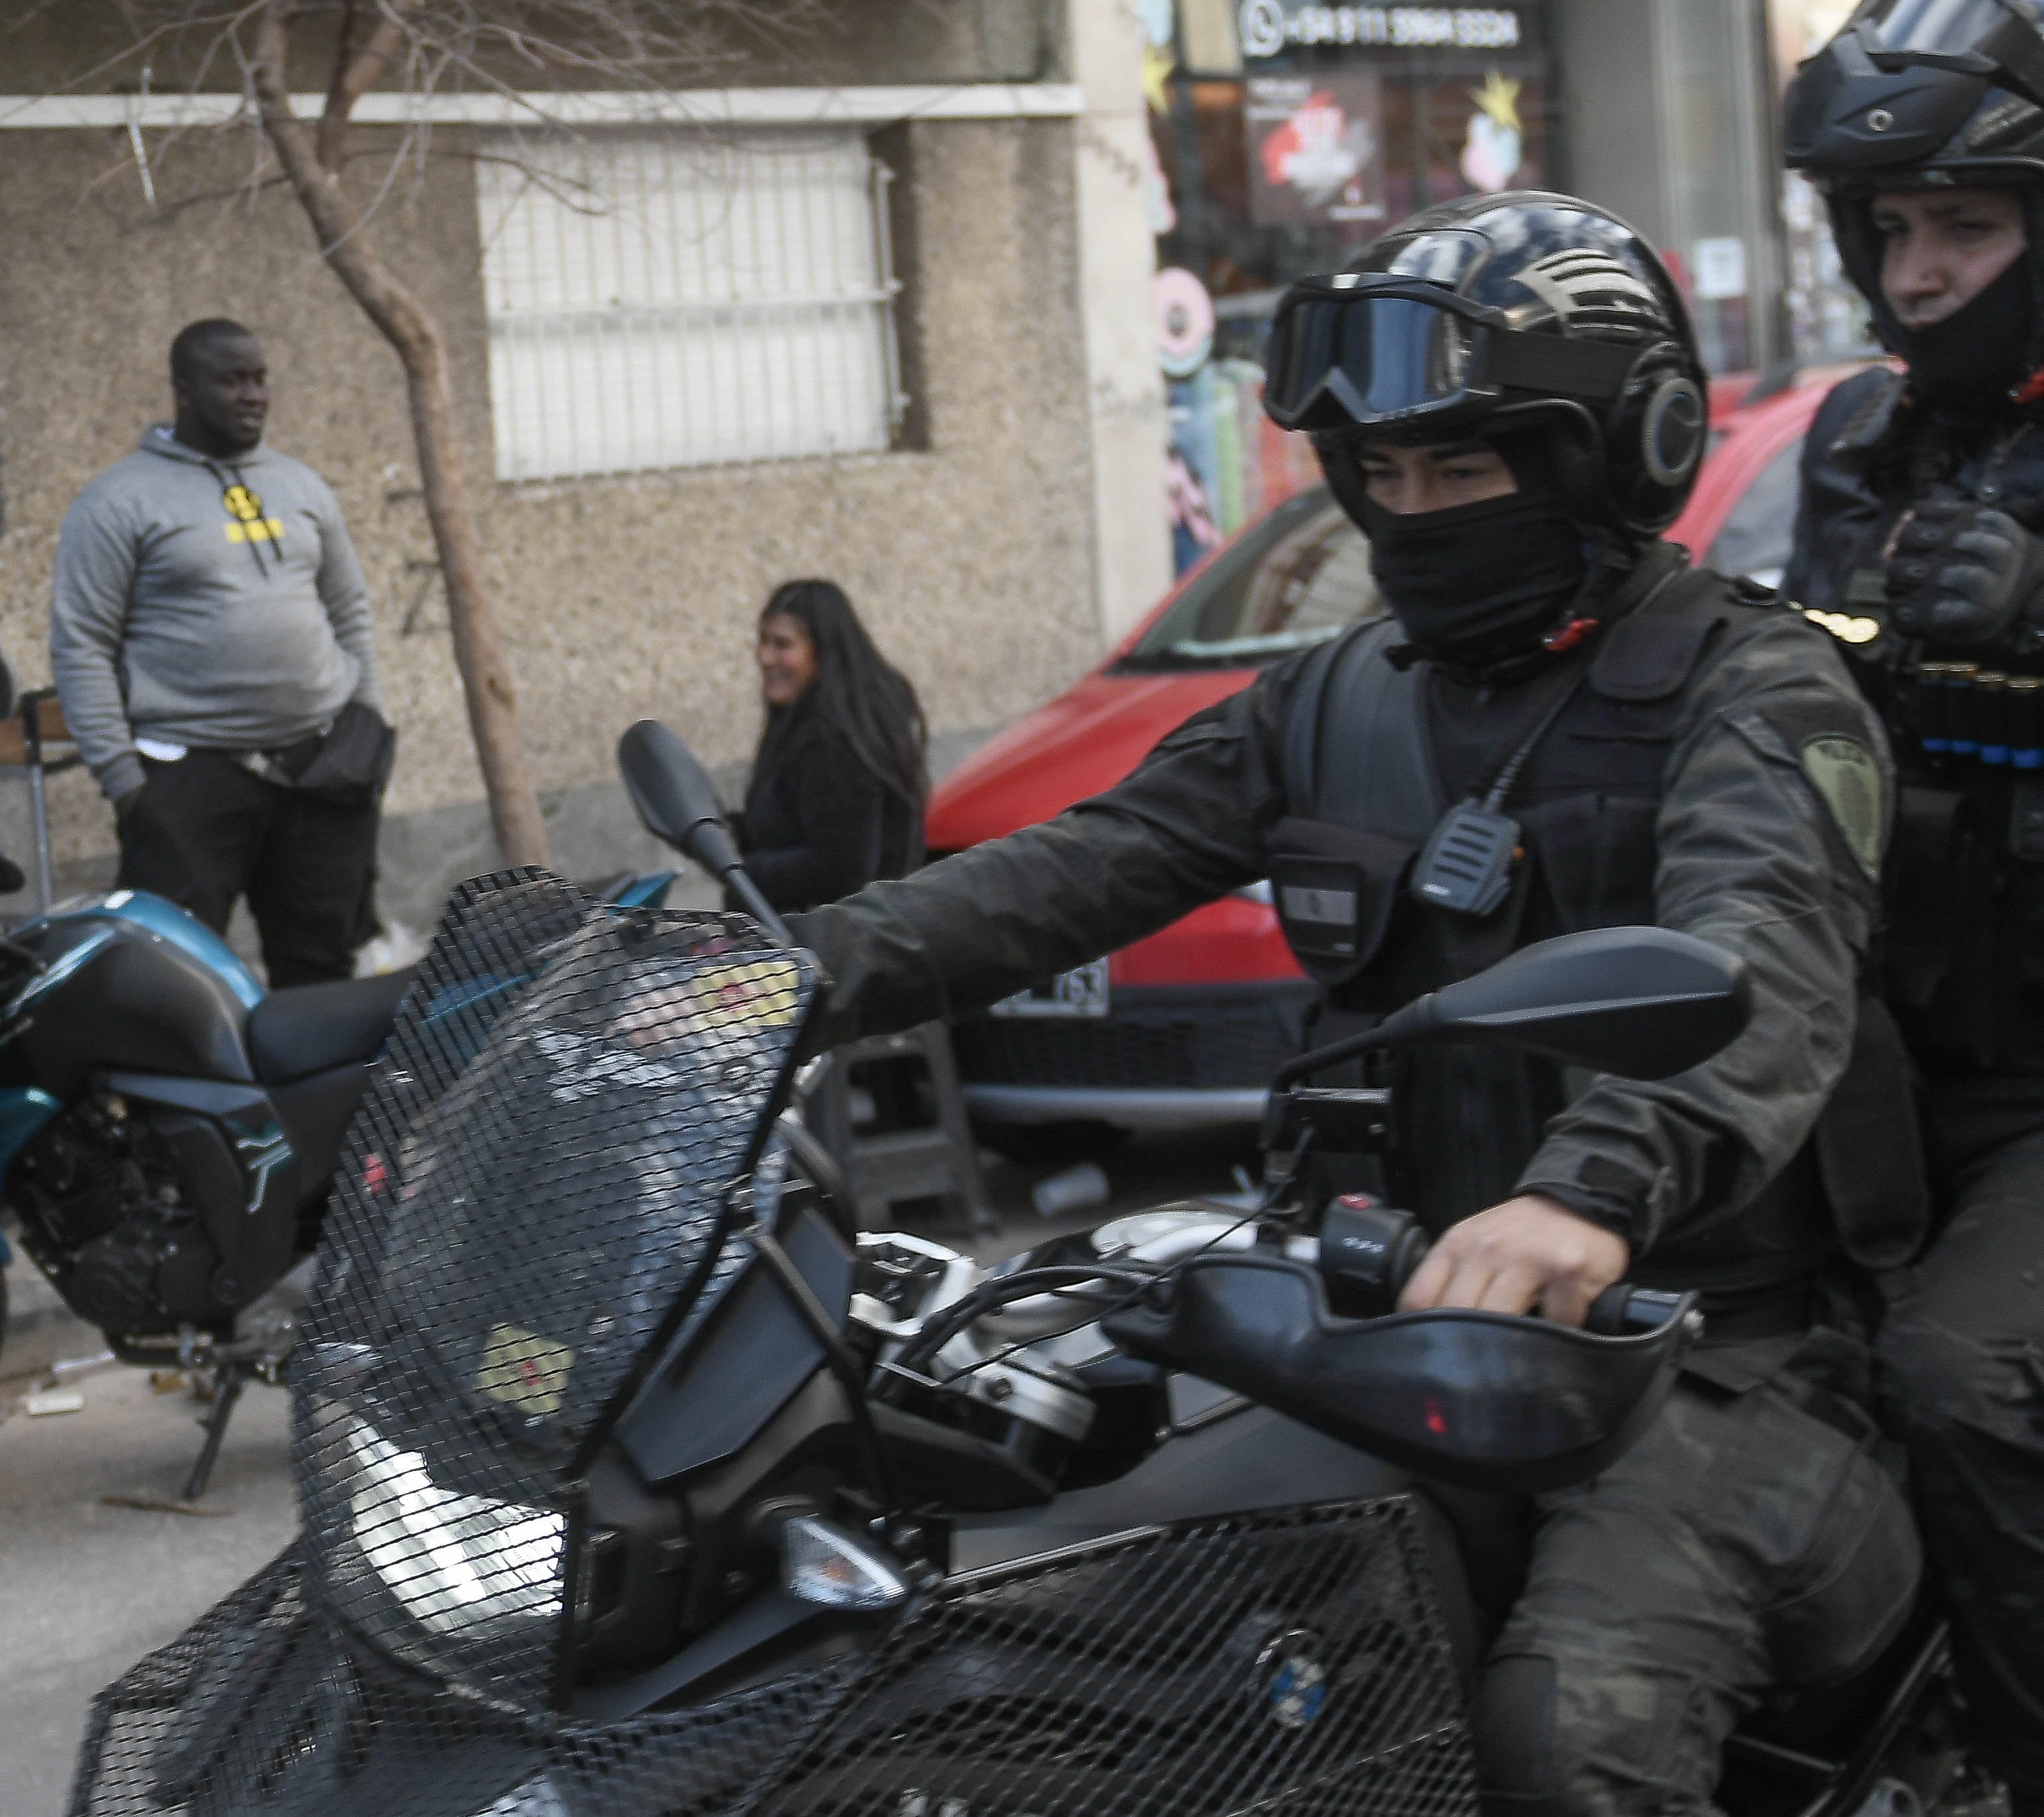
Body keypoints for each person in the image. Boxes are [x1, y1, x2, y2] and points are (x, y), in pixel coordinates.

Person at [789, 194, 1923, 1817]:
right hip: (1386, 1325)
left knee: (1562, 1732)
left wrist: (1588, 1189)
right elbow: (1066, 871)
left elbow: (1766, 950)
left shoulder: (1753, 685)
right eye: (1376, 478)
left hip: (1703, 1343)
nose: (1410, 515)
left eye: (1457, 471)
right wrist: (766, 975)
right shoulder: (1325, 702)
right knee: (1139, 1643)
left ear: (1608, 452)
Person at [1783, 11, 2044, 1805]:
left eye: (1964, 223)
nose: (1920, 269)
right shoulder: (1856, 442)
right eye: (1889, 229)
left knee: (1954, 1369)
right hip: (1872, 1050)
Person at [50, 318, 391, 988]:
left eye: (259, 377)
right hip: (188, 777)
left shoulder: (301, 485)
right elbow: (81, 643)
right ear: (182, 389)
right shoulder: (118, 500)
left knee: (322, 972)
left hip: (323, 769)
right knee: (172, 975)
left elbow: (348, 609)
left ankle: (314, 1098)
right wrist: (125, 785)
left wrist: (367, 726)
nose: (252, 394)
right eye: (231, 379)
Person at [736, 580, 927, 912]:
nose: (764, 658)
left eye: (782, 644)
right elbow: (791, 826)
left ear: (824, 651)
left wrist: (739, 871)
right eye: (762, 641)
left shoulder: (835, 741)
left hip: (831, 949)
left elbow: (840, 868)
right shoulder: (804, 720)